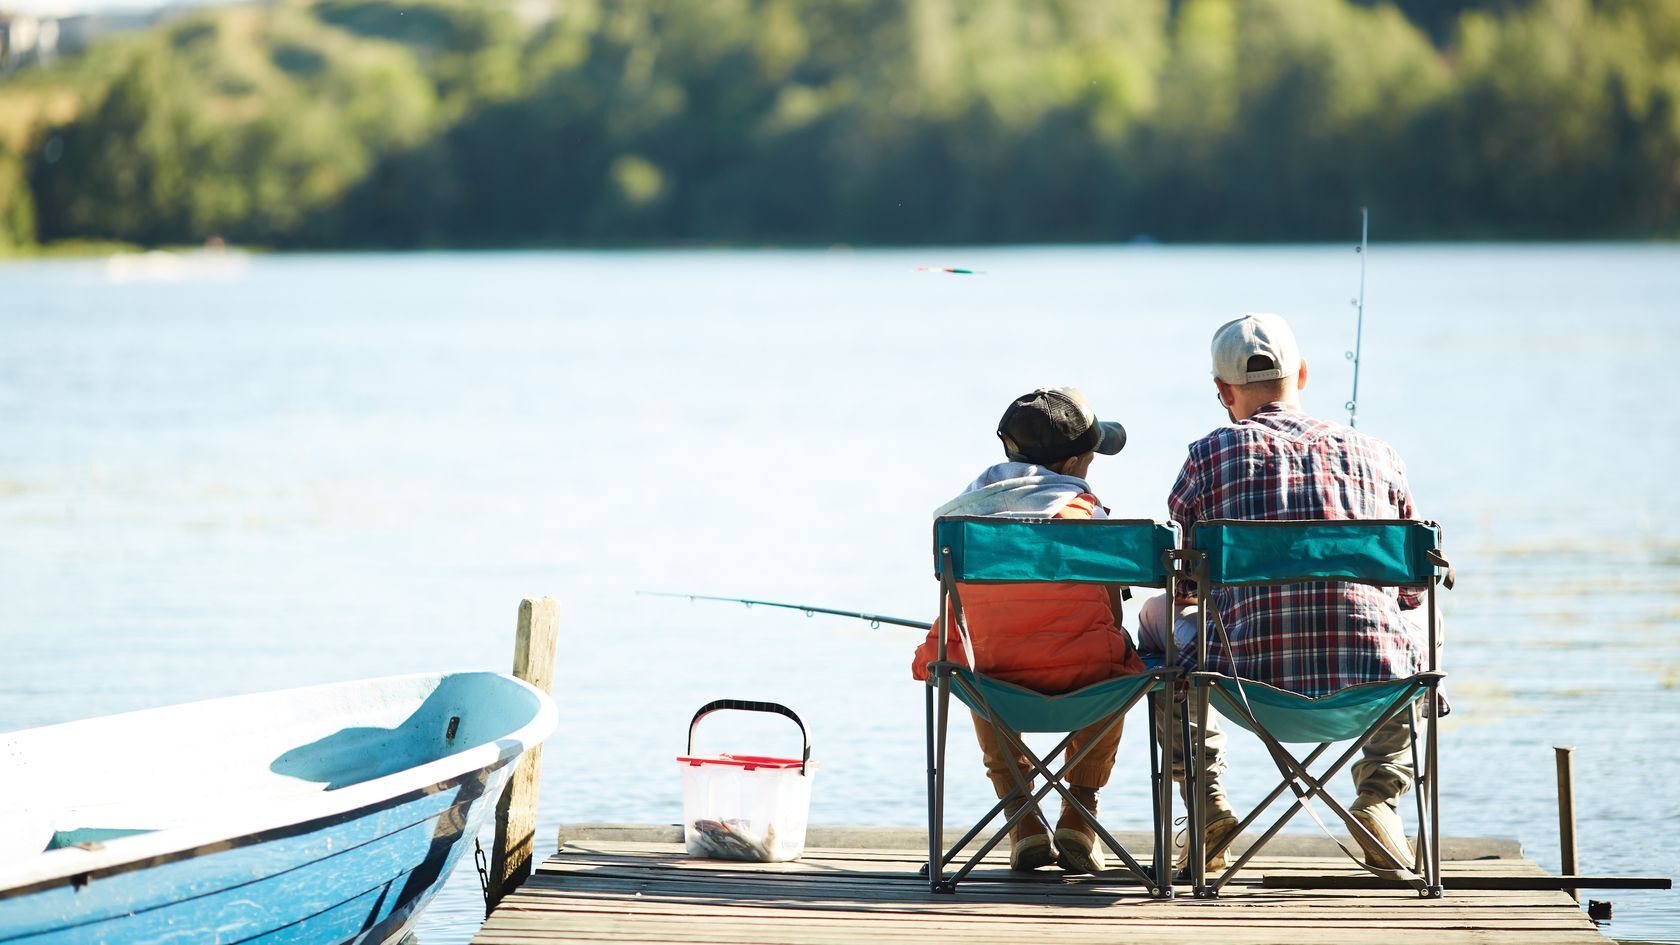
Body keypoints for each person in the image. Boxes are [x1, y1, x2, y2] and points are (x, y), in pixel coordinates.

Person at [1137, 312, 1435, 872]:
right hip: (1370, 688)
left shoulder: (1207, 457)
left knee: (1158, 620)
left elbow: (1187, 581)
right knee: (1424, 623)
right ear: (1302, 374)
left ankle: (1205, 805)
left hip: (1246, 687)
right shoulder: (1380, 454)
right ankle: (1380, 801)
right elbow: (1411, 591)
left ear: (1223, 392)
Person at [911, 387, 1142, 875]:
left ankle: (1022, 818)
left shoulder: (963, 523)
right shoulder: (1090, 522)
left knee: (971, 660)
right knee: (1119, 662)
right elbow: (1112, 615)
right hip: (1086, 690)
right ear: (1078, 463)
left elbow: (959, 608)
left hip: (996, 688)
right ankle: (1080, 811)